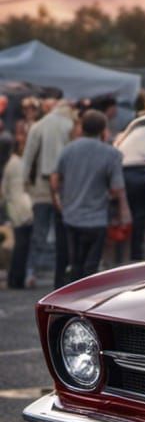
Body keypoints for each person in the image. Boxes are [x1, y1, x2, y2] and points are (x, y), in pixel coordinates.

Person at [51, 110, 130, 282]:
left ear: (82, 128)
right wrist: (124, 213)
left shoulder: (67, 151)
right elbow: (118, 189)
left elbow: (55, 182)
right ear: (103, 130)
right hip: (96, 219)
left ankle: (70, 299)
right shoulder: (112, 154)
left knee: (75, 262)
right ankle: (86, 301)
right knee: (91, 266)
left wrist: (60, 202)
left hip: (71, 217)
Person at [23, 99, 76, 288]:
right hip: (65, 186)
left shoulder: (39, 125)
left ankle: (31, 272)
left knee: (39, 232)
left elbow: (28, 157)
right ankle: (62, 274)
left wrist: (26, 182)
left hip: (42, 185)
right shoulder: (70, 125)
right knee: (63, 234)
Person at [2, 129, 34, 288]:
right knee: (22, 245)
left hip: (14, 206)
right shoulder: (21, 163)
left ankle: (15, 278)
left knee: (20, 245)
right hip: (24, 206)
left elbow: (5, 190)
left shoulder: (11, 163)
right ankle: (17, 279)